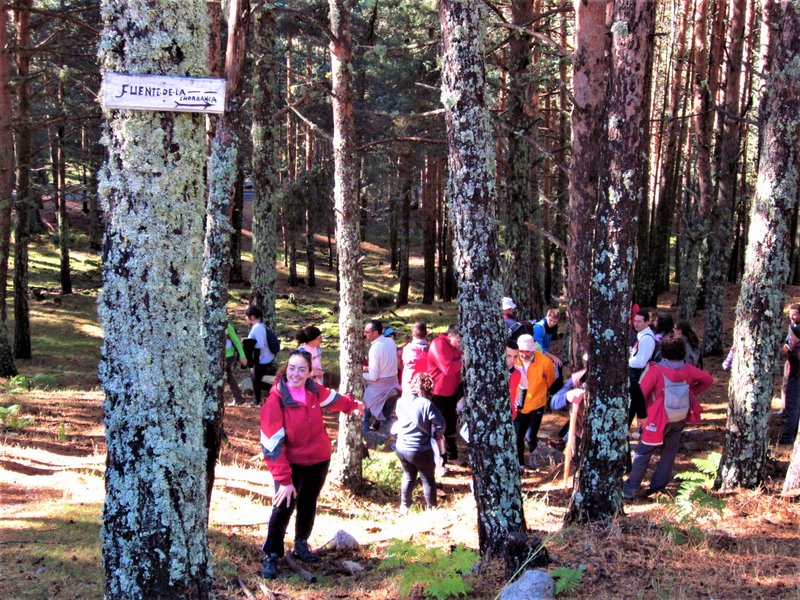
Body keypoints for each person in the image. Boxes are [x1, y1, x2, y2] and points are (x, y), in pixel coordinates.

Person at [259, 349, 363, 579]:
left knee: (308, 502)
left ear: (309, 373)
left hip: (318, 459)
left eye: (301, 369)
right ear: (286, 369)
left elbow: (334, 399)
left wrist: (353, 405)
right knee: (283, 507)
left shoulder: (313, 390)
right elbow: (271, 445)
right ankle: (271, 555)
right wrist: (284, 480)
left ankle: (301, 544)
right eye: (292, 368)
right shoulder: (276, 401)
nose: (296, 374)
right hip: (291, 464)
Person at [623, 335, 714, 499]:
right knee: (669, 454)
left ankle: (630, 489)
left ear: (662, 352)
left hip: (656, 419)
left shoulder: (656, 371)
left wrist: (638, 414)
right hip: (678, 416)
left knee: (643, 453)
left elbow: (641, 393)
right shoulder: (688, 370)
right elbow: (708, 380)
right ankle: (658, 488)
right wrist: (691, 392)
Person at [393, 372, 445, 514]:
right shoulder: (427, 404)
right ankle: (431, 509)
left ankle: (404, 507)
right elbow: (441, 425)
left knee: (408, 476)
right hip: (421, 449)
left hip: (402, 447)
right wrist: (435, 435)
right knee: (427, 478)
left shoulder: (401, 401)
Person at [512, 334, 556, 470]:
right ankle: (520, 464)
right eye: (521, 351)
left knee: (531, 437)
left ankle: (534, 457)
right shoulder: (512, 361)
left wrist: (541, 393)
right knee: (518, 437)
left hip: (536, 405)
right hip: (517, 406)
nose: (524, 354)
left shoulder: (545, 361)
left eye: (527, 351)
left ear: (533, 349)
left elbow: (550, 380)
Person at [427, 324, 463, 460]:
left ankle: (452, 453)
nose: (459, 344)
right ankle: (441, 457)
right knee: (439, 426)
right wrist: (463, 361)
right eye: (458, 340)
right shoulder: (438, 344)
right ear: (450, 336)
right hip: (437, 393)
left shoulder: (453, 347)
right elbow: (447, 368)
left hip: (451, 392)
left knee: (451, 425)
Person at [363, 319, 401, 431]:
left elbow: (374, 377)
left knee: (364, 416)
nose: (364, 334)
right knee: (386, 418)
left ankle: (366, 439)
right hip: (393, 387)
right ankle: (385, 442)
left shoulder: (375, 348)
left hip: (378, 390)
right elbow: (386, 364)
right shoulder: (390, 342)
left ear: (375, 333)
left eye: (366, 332)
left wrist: (360, 375)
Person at [629, 310, 657, 427]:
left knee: (631, 408)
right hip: (634, 374)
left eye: (639, 321)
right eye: (635, 321)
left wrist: (625, 362)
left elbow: (640, 362)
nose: (636, 324)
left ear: (647, 322)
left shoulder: (647, 338)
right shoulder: (641, 335)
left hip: (636, 376)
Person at [246, 306, 279, 406]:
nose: (245, 318)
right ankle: (257, 401)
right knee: (255, 379)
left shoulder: (257, 328)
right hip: (265, 357)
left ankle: (276, 391)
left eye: (247, 316)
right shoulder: (261, 326)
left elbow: (259, 344)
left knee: (256, 380)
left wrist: (248, 344)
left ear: (252, 317)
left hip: (262, 359)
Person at [780, 324, 800, 445]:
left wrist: (789, 351)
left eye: (792, 334)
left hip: (795, 380)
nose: (790, 336)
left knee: (792, 409)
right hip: (795, 379)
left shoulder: (796, 350)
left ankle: (787, 437)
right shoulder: (795, 347)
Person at [401, 322, 430, 396]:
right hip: (426, 386)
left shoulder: (407, 349)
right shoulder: (432, 349)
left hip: (410, 385)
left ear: (413, 333)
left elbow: (404, 364)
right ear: (426, 334)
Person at [225, 321, 248, 406]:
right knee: (229, 376)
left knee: (225, 376)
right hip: (221, 357)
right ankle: (238, 398)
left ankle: (238, 397)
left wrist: (242, 356)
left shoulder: (228, 326)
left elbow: (237, 342)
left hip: (228, 356)